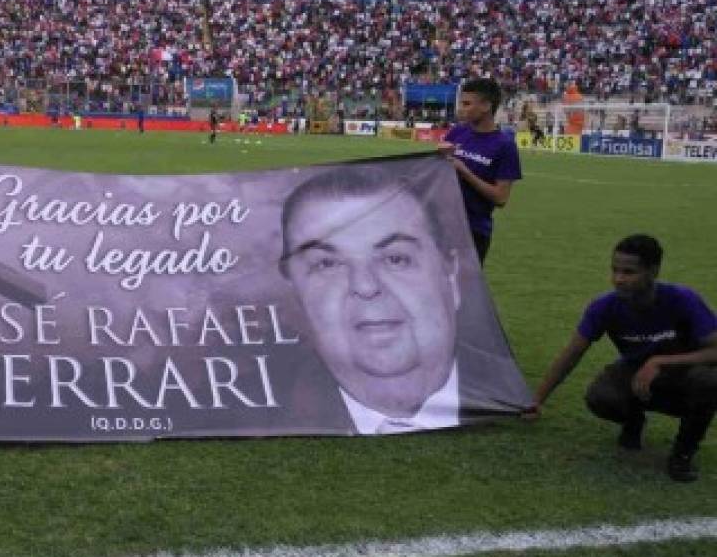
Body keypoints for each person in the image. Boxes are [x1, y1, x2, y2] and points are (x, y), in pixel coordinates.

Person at [279, 164, 528, 433]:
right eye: (327, 264)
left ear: (451, 275)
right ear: (294, 292)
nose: (365, 286)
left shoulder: (504, 389)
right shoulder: (261, 407)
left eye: (396, 259)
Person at [528, 235, 717, 482]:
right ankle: (633, 422)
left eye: (629, 272)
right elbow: (571, 354)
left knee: (710, 382)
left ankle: (683, 453)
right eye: (615, 270)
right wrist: (537, 400)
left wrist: (658, 362)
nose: (618, 279)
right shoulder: (604, 307)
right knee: (600, 396)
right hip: (635, 373)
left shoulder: (683, 299)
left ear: (653, 271)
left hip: (685, 375)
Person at [437, 77, 521, 265]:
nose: (461, 108)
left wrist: (464, 171)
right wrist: (437, 160)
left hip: (472, 232)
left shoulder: (504, 146)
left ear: (486, 106)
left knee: (462, 293)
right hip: (441, 225)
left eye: (467, 103)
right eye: (461, 103)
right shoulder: (457, 132)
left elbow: (501, 198)